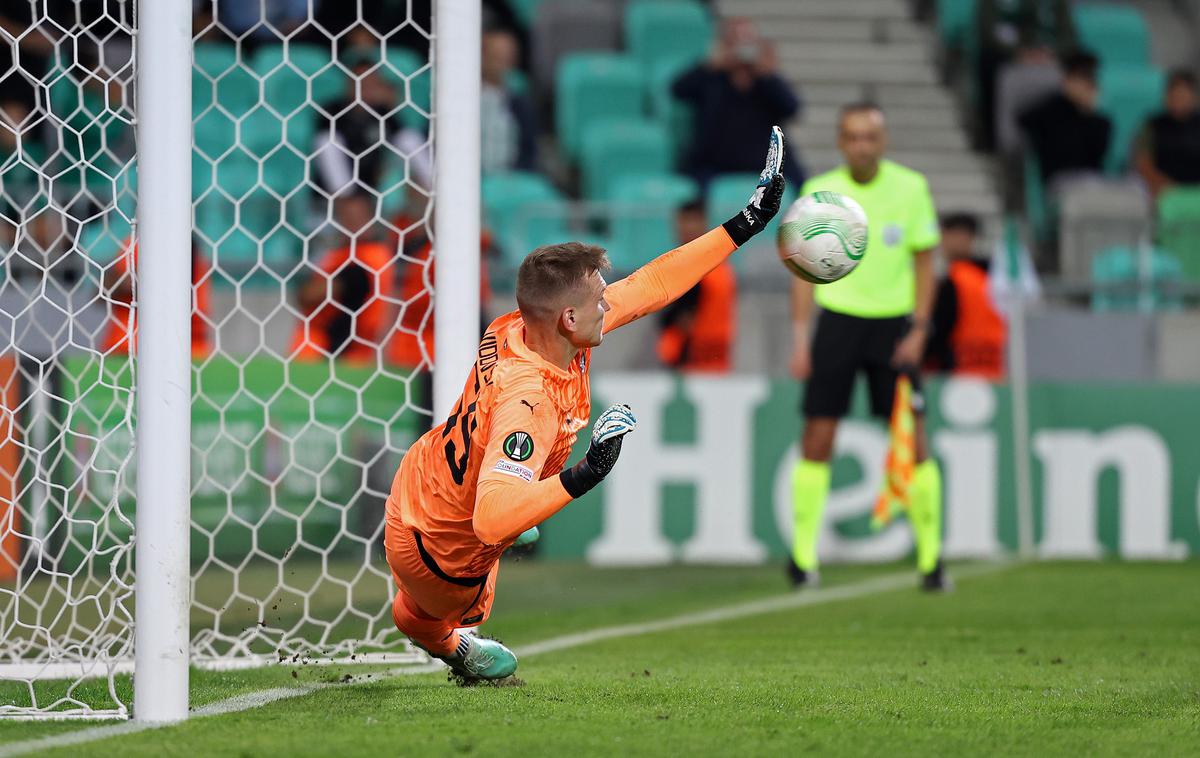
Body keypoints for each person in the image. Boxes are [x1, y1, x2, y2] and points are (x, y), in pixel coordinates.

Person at [384, 139, 786, 681]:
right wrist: (585, 473)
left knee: (477, 531)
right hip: (446, 558)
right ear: (569, 319)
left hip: (416, 488)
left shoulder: (517, 328)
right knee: (438, 605)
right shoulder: (532, 400)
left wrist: (744, 224)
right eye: (599, 300)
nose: (610, 303)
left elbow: (651, 285)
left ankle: (445, 599)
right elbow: (490, 519)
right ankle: (454, 645)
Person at [787, 103, 947, 591]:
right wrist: (801, 336)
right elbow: (802, 268)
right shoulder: (818, 193)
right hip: (837, 321)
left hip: (894, 328)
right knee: (819, 436)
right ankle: (802, 556)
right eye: (853, 137)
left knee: (911, 437)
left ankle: (930, 559)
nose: (862, 145)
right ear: (840, 142)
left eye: (870, 137)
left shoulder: (911, 188)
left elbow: (925, 262)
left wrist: (920, 328)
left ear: (884, 141)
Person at [672, 18, 803, 189]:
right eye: (736, 42)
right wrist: (708, 65)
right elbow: (677, 90)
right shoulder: (711, 78)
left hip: (763, 161)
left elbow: (792, 108)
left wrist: (768, 75)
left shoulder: (766, 82)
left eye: (748, 42)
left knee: (797, 184)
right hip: (714, 164)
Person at [290, 192, 395, 362]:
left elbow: (310, 295)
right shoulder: (354, 253)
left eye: (353, 217)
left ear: (369, 218)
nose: (347, 223)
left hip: (335, 353)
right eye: (343, 216)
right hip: (337, 352)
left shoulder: (362, 259)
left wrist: (310, 287)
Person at [656, 200, 737, 372]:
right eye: (683, 222)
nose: (686, 228)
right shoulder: (719, 262)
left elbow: (684, 318)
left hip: (692, 360)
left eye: (691, 221)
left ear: (703, 223)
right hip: (713, 359)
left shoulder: (693, 267)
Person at [924, 213, 1006, 380]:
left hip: (957, 368)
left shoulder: (956, 279)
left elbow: (942, 327)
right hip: (992, 365)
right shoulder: (991, 277)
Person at [101, 239, 212, 359]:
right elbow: (104, 291)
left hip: (190, 348)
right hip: (127, 346)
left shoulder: (189, 248)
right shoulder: (136, 244)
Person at [1018, 51, 1111, 189]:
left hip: (1091, 180)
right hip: (1059, 179)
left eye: (1090, 79)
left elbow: (1097, 154)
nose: (1087, 84)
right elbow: (1024, 120)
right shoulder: (1048, 111)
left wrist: (1087, 111)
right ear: (1068, 80)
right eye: (1082, 78)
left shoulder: (1099, 121)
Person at [1134, 69, 1200, 200]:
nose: (1178, 99)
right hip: (1163, 191)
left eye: (1183, 94)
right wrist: (1163, 184)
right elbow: (1143, 162)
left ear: (1193, 96)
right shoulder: (1152, 125)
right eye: (1174, 93)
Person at [480, 28, 537, 174]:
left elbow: (529, 149)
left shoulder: (520, 103)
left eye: (507, 58)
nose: (502, 65)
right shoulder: (457, 101)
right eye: (496, 57)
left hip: (512, 179)